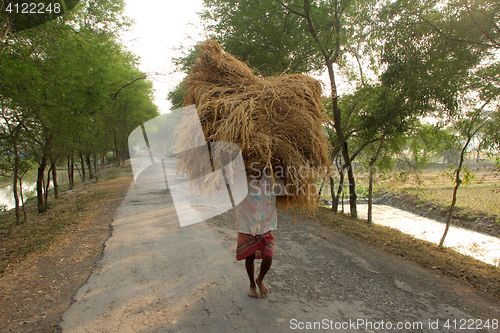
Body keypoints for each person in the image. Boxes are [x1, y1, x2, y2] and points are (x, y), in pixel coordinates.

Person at [235, 165, 286, 298]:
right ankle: (252, 284)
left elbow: (284, 190)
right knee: (250, 257)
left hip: (266, 224)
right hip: (247, 224)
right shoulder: (242, 177)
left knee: (268, 257)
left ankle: (260, 279)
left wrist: (287, 171)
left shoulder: (272, 177)